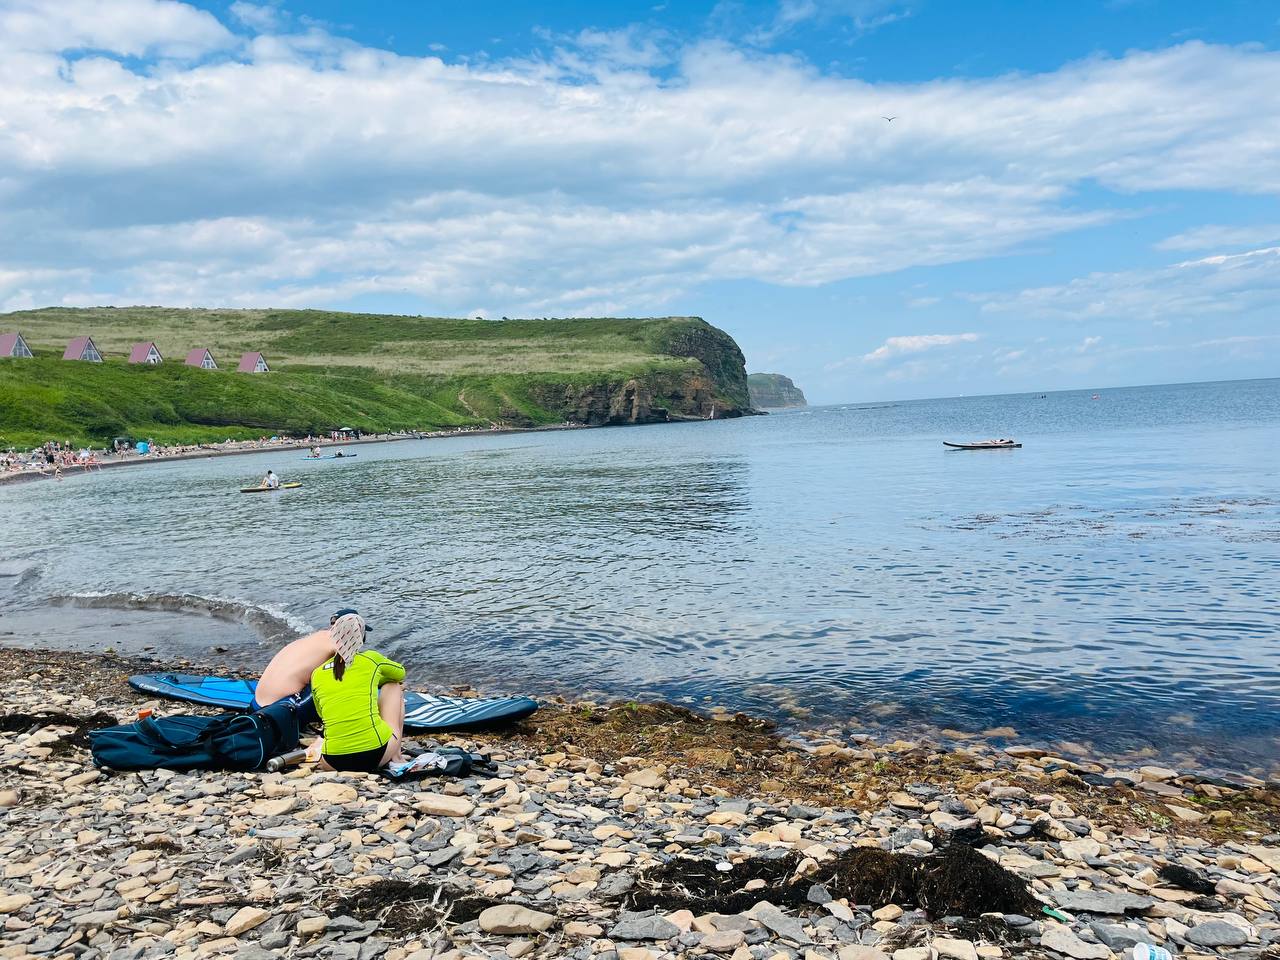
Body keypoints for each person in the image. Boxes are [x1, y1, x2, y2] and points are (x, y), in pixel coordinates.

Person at [311, 613, 405, 772]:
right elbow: (400, 673)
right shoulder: (371, 659)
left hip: (332, 761)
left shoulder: (317, 673)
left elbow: (321, 713)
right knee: (393, 685)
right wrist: (375, 680)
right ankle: (396, 757)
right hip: (374, 755)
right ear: (362, 638)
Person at [252, 607, 369, 721]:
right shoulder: (338, 643)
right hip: (276, 710)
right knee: (340, 682)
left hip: (256, 702)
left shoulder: (317, 637)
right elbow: (359, 670)